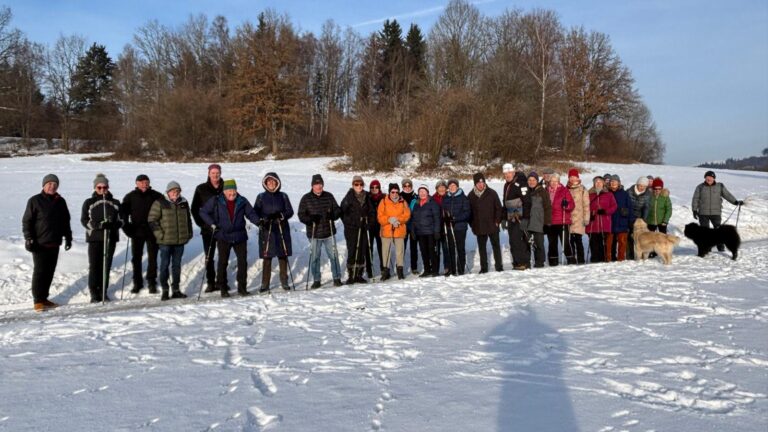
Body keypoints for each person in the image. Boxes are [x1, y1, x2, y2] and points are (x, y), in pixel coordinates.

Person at [200, 179, 260, 297]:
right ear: (224, 191)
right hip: (223, 235)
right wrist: (212, 223)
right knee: (223, 262)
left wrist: (259, 222)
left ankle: (242, 288)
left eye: (234, 191)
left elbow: (251, 214)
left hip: (239, 235)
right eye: (229, 191)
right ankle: (223, 288)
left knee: (242, 262)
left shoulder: (242, 201)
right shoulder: (216, 200)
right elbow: (203, 212)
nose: (232, 193)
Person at [22, 174, 73, 311]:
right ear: (44, 185)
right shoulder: (35, 201)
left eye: (55, 184)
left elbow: (65, 221)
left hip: (54, 243)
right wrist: (29, 238)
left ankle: (44, 298)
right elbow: (27, 221)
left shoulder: (60, 201)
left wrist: (68, 237)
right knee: (40, 272)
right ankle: (38, 300)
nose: (52, 186)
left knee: (49, 272)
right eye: (49, 184)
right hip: (39, 243)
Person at [81, 173, 123, 303]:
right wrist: (98, 225)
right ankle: (94, 293)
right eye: (99, 187)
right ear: (95, 188)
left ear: (108, 187)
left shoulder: (115, 203)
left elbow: (121, 220)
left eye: (104, 187)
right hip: (95, 238)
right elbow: (84, 220)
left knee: (106, 265)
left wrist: (113, 225)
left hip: (110, 238)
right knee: (95, 265)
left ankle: (103, 291)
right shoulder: (89, 202)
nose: (102, 190)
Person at [148, 181, 192, 301]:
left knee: (176, 266)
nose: (175, 193)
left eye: (177, 191)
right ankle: (165, 290)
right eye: (173, 191)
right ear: (168, 192)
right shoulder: (160, 202)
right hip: (165, 242)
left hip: (179, 241)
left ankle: (176, 290)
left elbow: (188, 219)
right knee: (164, 266)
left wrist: (189, 233)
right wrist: (160, 235)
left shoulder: (183, 202)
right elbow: (152, 220)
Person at [120, 174, 164, 294]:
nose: (145, 184)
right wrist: (127, 228)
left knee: (152, 257)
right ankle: (137, 282)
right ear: (137, 183)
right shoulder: (130, 196)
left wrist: (161, 227)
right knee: (136, 258)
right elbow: (123, 213)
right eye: (142, 182)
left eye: (146, 182)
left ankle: (151, 281)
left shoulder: (156, 195)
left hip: (152, 231)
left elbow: (164, 211)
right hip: (136, 231)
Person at [298, 174, 343, 289]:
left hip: (329, 233)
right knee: (315, 258)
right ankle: (316, 280)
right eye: (316, 184)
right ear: (312, 185)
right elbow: (301, 215)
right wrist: (310, 219)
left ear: (323, 185)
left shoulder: (329, 196)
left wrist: (333, 215)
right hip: (314, 234)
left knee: (333, 256)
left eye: (320, 184)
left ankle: (337, 278)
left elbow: (338, 210)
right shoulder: (306, 198)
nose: (318, 186)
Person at [254, 172, 294, 292]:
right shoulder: (261, 197)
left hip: (281, 228)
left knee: (283, 256)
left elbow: (290, 211)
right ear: (265, 183)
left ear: (277, 182)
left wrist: (281, 215)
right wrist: (264, 219)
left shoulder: (283, 196)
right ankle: (265, 284)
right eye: (269, 181)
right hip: (267, 230)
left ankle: (284, 281)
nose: (271, 183)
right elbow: (255, 212)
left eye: (273, 181)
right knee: (267, 257)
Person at [692, 170, 744, 252]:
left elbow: (727, 195)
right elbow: (695, 198)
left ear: (714, 178)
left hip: (716, 213)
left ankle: (720, 246)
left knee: (719, 230)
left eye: (711, 177)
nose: (709, 179)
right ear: (705, 178)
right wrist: (694, 210)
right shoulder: (700, 187)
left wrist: (735, 202)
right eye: (707, 177)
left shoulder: (719, 186)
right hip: (703, 213)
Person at [191, 164, 224, 293]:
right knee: (209, 256)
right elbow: (194, 208)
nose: (215, 175)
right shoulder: (201, 188)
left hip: (223, 228)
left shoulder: (226, 186)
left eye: (217, 173)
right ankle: (211, 282)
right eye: (213, 173)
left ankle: (221, 282)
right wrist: (201, 224)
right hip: (208, 229)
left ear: (220, 173)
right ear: (209, 174)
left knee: (223, 257)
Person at [340, 175, 375, 284]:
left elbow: (372, 212)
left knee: (361, 251)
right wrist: (353, 222)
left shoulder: (367, 196)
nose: (359, 186)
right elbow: (342, 213)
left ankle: (359, 274)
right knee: (352, 250)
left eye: (361, 184)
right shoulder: (348, 197)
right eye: (356, 184)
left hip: (364, 228)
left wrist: (369, 223)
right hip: (351, 229)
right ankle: (351, 275)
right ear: (353, 185)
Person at [468, 172, 503, 273]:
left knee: (496, 246)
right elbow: (469, 212)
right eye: (478, 183)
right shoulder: (471, 195)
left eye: (482, 182)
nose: (481, 184)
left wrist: (497, 221)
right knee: (482, 248)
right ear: (475, 184)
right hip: (479, 226)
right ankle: (484, 268)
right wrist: (473, 225)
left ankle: (499, 266)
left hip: (492, 224)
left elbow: (499, 208)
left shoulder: (492, 193)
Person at [377, 183, 411, 280]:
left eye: (396, 192)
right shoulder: (383, 201)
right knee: (385, 251)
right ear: (389, 192)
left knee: (400, 251)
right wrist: (389, 219)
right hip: (386, 230)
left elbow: (407, 215)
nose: (395, 194)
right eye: (392, 192)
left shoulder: (403, 201)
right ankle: (386, 271)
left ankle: (400, 270)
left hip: (399, 229)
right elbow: (380, 216)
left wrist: (398, 220)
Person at [502, 163, 529, 270]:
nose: (507, 175)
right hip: (510, 217)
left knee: (519, 240)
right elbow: (505, 203)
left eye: (509, 173)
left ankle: (523, 262)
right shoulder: (507, 185)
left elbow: (527, 202)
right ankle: (517, 262)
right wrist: (504, 218)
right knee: (512, 240)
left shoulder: (521, 183)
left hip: (520, 217)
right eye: (505, 174)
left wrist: (525, 218)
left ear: (513, 172)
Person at [410, 184, 441, 277]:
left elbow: (437, 218)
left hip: (430, 232)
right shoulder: (416, 204)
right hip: (420, 232)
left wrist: (437, 231)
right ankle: (427, 270)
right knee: (424, 252)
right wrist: (413, 231)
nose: (422, 193)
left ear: (427, 193)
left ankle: (435, 270)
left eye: (424, 191)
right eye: (420, 192)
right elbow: (413, 219)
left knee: (432, 252)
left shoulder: (432, 203)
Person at [442, 179, 471, 276]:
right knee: (450, 248)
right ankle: (452, 269)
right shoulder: (446, 197)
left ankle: (461, 269)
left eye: (454, 185)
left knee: (460, 248)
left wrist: (455, 218)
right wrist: (445, 217)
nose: (452, 187)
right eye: (450, 186)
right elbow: (443, 210)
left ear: (457, 186)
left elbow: (467, 213)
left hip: (460, 227)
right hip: (449, 227)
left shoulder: (463, 197)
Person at [521, 172, 550, 268]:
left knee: (539, 244)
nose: (531, 182)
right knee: (526, 243)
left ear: (537, 181)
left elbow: (547, 208)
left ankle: (540, 263)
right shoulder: (525, 191)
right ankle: (526, 263)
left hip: (538, 221)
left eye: (533, 180)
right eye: (529, 180)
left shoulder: (542, 191)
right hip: (527, 221)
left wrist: (547, 222)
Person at [586, 176, 617, 263]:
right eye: (596, 182)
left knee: (603, 242)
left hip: (604, 222)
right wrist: (589, 215)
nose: (598, 183)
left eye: (600, 182)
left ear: (603, 183)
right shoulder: (589, 194)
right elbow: (585, 207)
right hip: (593, 223)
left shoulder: (609, 194)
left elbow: (614, 206)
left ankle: (603, 258)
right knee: (593, 242)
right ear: (594, 184)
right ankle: (594, 259)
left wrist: (605, 211)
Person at [546, 173, 576, 266]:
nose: (553, 183)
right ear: (549, 182)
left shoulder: (564, 191)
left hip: (562, 221)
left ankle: (570, 259)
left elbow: (572, 205)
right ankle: (553, 260)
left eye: (555, 181)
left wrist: (566, 205)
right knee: (552, 242)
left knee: (565, 242)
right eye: (552, 181)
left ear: (559, 182)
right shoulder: (546, 191)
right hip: (550, 221)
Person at [566, 168, 590, 264]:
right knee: (570, 240)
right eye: (571, 177)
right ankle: (572, 259)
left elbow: (586, 205)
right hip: (569, 219)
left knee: (578, 240)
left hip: (579, 219)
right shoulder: (566, 188)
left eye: (574, 177)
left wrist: (586, 218)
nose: (572, 179)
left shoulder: (583, 189)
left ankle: (581, 260)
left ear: (577, 178)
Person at [607, 175, 632, 262]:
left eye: (615, 181)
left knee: (622, 243)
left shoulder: (624, 194)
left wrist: (629, 219)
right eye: (611, 181)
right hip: (610, 222)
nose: (613, 183)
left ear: (619, 183)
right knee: (609, 243)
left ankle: (621, 260)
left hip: (622, 221)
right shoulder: (606, 193)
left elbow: (630, 207)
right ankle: (609, 260)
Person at [627, 176, 651, 259]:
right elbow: (626, 204)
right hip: (629, 215)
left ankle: (642, 255)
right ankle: (629, 256)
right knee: (630, 236)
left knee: (642, 238)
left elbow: (647, 207)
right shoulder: (629, 191)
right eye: (640, 186)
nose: (642, 188)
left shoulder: (648, 194)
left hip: (640, 218)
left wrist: (644, 219)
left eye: (644, 186)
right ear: (637, 184)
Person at [400, 178, 419, 274]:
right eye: (405, 186)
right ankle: (400, 268)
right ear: (402, 187)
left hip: (413, 225)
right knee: (401, 248)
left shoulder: (416, 196)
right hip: (402, 225)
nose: (407, 187)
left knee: (413, 247)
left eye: (409, 185)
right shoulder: (399, 196)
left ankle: (414, 267)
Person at [368, 179, 385, 278]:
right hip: (369, 226)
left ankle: (384, 269)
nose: (374, 189)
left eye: (376, 187)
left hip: (380, 226)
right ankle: (369, 270)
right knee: (369, 248)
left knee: (381, 248)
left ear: (379, 188)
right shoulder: (367, 197)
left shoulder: (383, 198)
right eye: (372, 187)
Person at [432, 179, 449, 274]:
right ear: (437, 189)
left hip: (446, 227)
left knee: (446, 248)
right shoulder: (433, 198)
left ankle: (447, 267)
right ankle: (436, 269)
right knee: (436, 249)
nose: (441, 189)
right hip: (436, 227)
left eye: (443, 187)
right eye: (440, 187)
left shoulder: (449, 197)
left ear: (446, 189)